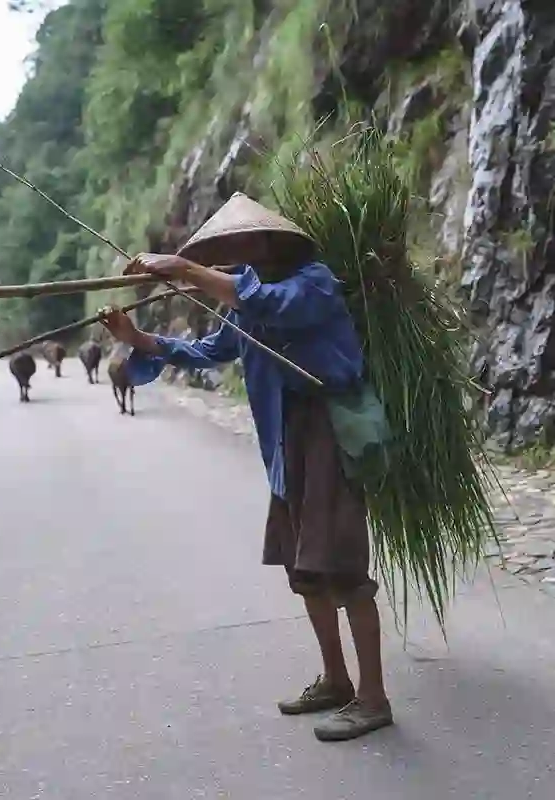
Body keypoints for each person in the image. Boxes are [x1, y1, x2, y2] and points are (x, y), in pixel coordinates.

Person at [101, 193, 393, 742]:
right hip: (283, 443)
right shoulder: (243, 301)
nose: (234, 253)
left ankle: (373, 699)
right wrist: (137, 339)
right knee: (303, 569)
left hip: (329, 436)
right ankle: (336, 680)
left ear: (271, 241)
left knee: (343, 568)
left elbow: (274, 305)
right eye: (227, 247)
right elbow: (209, 351)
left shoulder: (313, 283)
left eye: (242, 243)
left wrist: (185, 268)